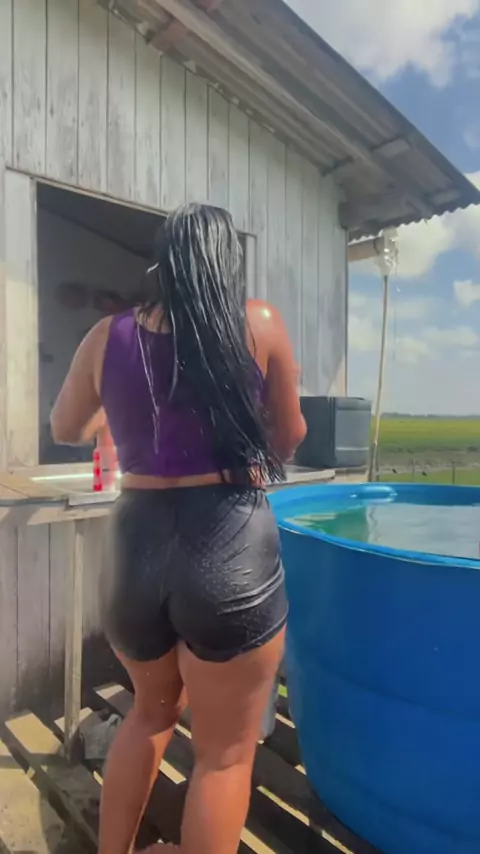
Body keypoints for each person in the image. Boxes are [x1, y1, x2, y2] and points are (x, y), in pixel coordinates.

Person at [51, 203, 306, 854]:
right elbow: (289, 434)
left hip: (134, 543)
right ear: (227, 263)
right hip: (229, 536)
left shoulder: (106, 336)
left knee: (148, 714)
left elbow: (65, 427)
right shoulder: (258, 323)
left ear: (162, 263)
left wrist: (116, 419)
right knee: (224, 756)